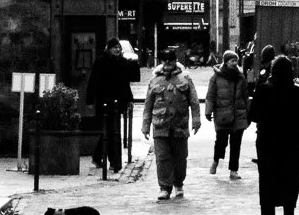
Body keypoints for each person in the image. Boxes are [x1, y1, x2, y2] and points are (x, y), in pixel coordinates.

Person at [248, 54, 299, 215]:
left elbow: (253, 116)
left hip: (267, 146)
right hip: (290, 146)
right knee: (290, 186)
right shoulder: (298, 92)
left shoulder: (263, 90)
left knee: (267, 185)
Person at [140, 44, 202, 198]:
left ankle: (178, 183)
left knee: (180, 158)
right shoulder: (155, 80)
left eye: (170, 60)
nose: (167, 62)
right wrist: (145, 125)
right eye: (164, 60)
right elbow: (148, 104)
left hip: (179, 125)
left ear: (175, 61)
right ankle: (164, 187)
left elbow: (194, 101)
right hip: (160, 125)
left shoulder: (185, 78)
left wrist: (196, 120)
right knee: (162, 158)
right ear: (161, 61)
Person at [83, 37, 134, 181]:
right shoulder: (101, 61)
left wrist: (129, 99)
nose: (117, 49)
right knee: (110, 131)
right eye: (114, 47)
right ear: (108, 48)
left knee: (113, 131)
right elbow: (93, 81)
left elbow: (125, 83)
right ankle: (112, 161)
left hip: (118, 103)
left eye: (118, 47)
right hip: (104, 101)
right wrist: (89, 100)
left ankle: (106, 160)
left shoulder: (123, 63)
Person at [205, 50, 251, 176]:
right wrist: (208, 112)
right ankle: (215, 161)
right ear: (225, 62)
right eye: (232, 60)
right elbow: (210, 95)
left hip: (239, 115)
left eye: (236, 60)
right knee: (221, 142)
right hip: (222, 115)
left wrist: (249, 113)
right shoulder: (216, 77)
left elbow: (245, 96)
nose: (235, 63)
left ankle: (233, 170)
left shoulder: (240, 77)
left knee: (236, 144)